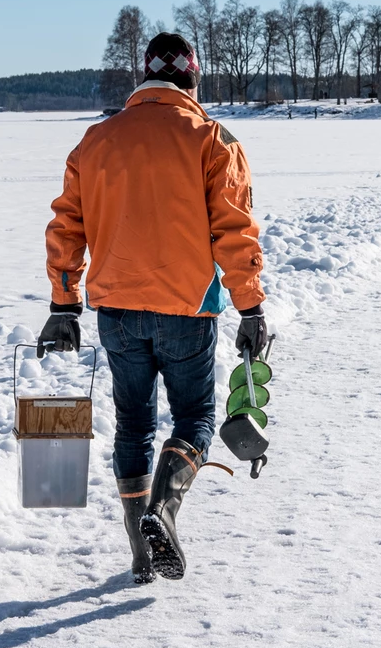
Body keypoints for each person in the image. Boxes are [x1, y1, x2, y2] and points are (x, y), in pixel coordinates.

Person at [40, 32, 268, 584]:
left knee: (135, 424)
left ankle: (141, 552)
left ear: (142, 79)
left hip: (116, 309)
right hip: (187, 308)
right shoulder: (214, 138)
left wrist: (64, 304)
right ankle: (162, 511)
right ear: (192, 78)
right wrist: (252, 306)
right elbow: (233, 232)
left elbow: (67, 226)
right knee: (194, 418)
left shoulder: (95, 140)